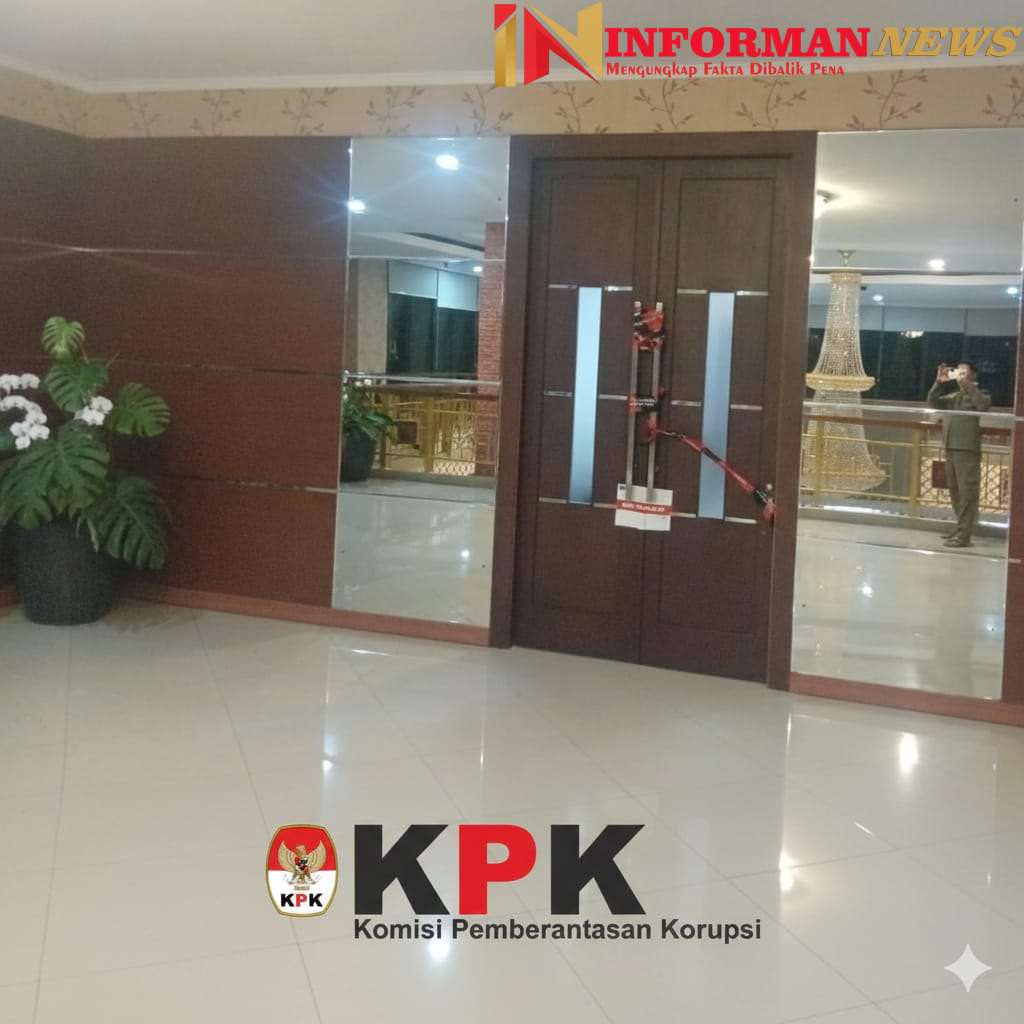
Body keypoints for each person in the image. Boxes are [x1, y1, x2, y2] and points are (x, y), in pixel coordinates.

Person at [927, 362, 991, 548]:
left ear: (973, 375)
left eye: (964, 370)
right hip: (951, 447)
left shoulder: (981, 393)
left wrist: (967, 385)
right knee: (954, 490)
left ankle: (964, 535)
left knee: (967, 493)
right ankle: (960, 527)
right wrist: (938, 383)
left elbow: (982, 406)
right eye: (958, 370)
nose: (960, 373)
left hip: (967, 449)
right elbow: (933, 401)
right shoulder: (953, 397)